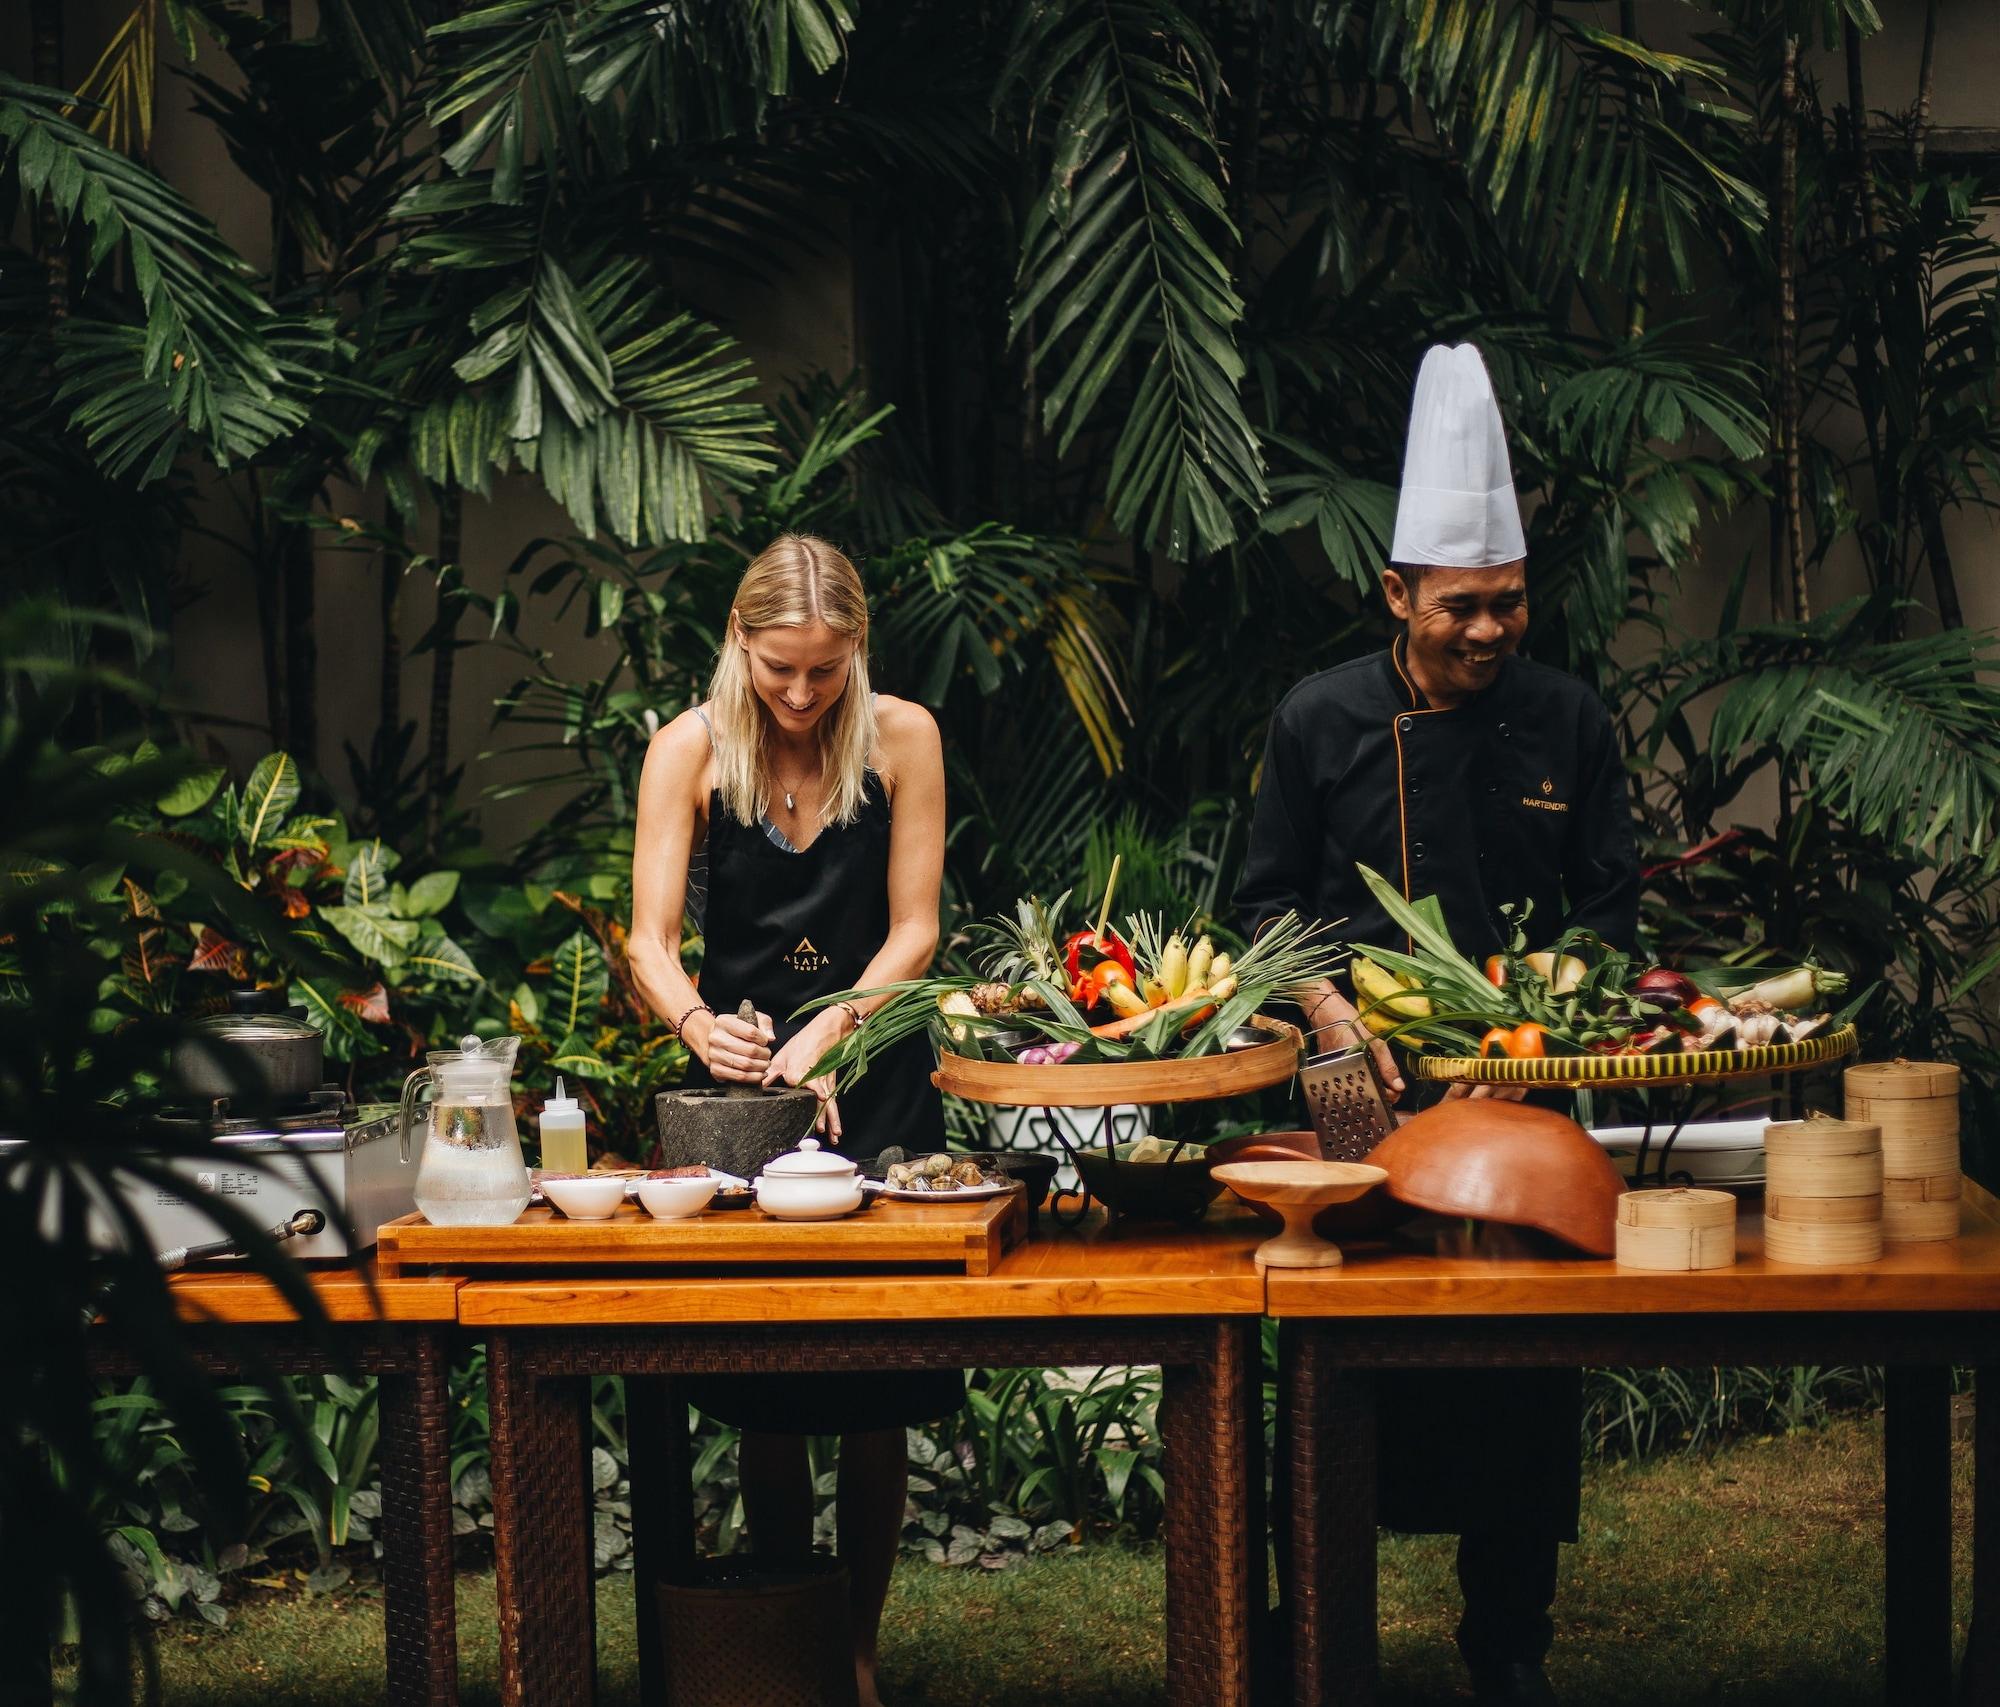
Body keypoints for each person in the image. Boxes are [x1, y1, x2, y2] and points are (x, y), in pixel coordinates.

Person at [1236, 345, 1642, 1706]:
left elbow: (1612, 914)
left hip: (1523, 1113)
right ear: (1397, 590)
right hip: (1364, 1109)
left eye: (1510, 605)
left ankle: (1508, 1638)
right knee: (1349, 1374)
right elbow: (1261, 910)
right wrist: (1332, 1007)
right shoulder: (1318, 722)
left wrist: (1551, 1002)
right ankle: (1319, 1624)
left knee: (1523, 1375)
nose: (1487, 631)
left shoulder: (1569, 722)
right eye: (1459, 606)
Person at [628, 533, 956, 1707]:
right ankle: (796, 1652)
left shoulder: (904, 738)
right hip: (745, 1088)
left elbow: (912, 931)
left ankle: (855, 1657)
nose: (803, 694)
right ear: (738, 641)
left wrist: (838, 1029)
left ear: (856, 649)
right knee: (768, 1378)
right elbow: (651, 943)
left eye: (824, 670)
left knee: (872, 1385)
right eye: (779, 669)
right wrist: (696, 1025)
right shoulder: (691, 749)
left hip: (875, 1072)